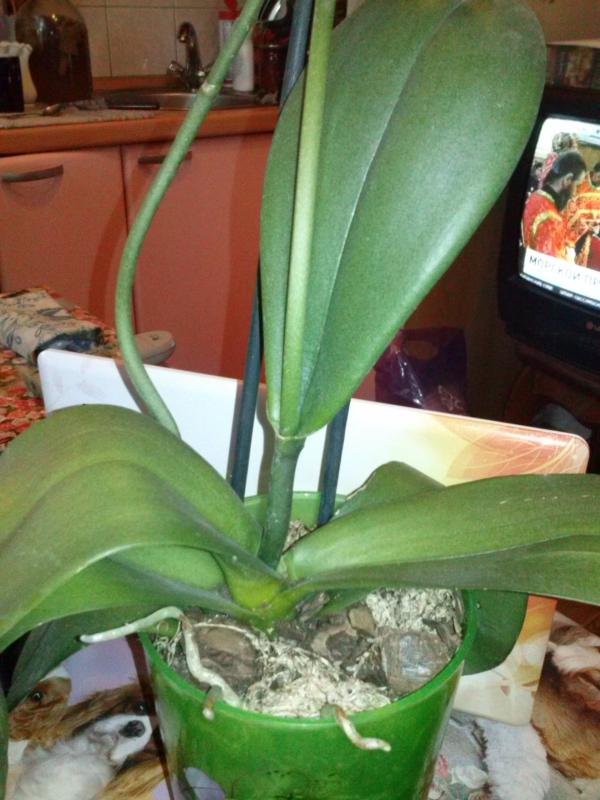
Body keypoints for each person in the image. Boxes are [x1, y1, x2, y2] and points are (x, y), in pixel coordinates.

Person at [522, 150, 587, 258]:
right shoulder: (552, 219)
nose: (575, 192)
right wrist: (569, 255)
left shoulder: (535, 196)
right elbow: (553, 262)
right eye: (577, 185)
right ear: (568, 179)